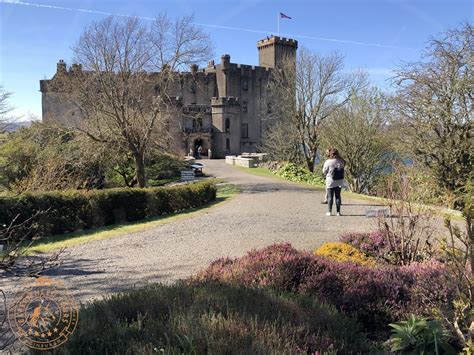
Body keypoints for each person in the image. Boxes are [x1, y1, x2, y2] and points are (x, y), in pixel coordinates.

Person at [322, 148, 345, 216]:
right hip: (339, 181)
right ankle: (338, 212)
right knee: (338, 196)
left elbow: (324, 171)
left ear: (331, 154)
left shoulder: (328, 161)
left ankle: (329, 212)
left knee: (330, 196)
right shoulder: (342, 161)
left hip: (330, 180)